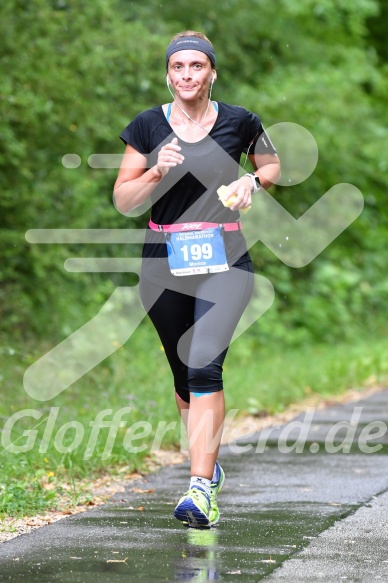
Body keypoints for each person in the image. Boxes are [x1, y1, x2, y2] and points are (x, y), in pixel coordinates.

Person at [113, 31, 280, 528]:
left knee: (205, 363)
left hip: (224, 255)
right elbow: (124, 200)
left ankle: (200, 489)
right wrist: (154, 174)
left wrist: (252, 181)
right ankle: (205, 466)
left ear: (212, 73)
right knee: (184, 375)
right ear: (168, 74)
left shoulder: (241, 121)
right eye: (178, 67)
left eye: (196, 67)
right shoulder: (145, 126)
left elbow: (271, 164)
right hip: (162, 259)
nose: (187, 75)